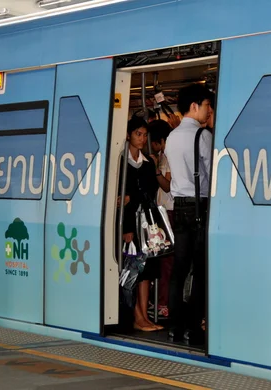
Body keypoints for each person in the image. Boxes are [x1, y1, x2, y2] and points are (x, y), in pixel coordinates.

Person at [164, 84, 214, 344]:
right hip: (199, 205)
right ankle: (194, 327)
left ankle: (174, 325)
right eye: (206, 105)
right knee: (200, 268)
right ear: (194, 106)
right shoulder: (202, 136)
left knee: (179, 268)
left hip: (178, 206)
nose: (209, 111)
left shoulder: (172, 137)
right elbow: (212, 172)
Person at [117, 116, 163, 332]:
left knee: (146, 270)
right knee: (133, 269)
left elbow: (148, 192)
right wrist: (126, 228)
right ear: (128, 135)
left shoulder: (147, 162)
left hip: (146, 222)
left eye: (145, 135)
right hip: (129, 222)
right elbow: (121, 199)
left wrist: (129, 198)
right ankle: (135, 316)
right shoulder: (120, 161)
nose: (142, 138)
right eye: (138, 134)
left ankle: (144, 315)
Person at [147, 119, 174, 318]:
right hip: (163, 211)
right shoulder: (166, 155)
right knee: (161, 259)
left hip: (169, 212)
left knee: (166, 261)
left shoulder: (169, 157)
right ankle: (160, 300)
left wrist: (155, 169)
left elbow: (167, 186)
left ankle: (163, 303)